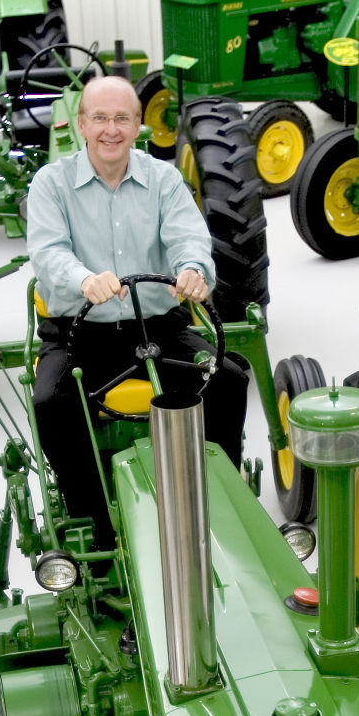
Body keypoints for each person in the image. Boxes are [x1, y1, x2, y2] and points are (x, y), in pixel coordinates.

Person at [26, 76, 248, 544]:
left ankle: (218, 502)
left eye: (121, 118)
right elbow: (48, 255)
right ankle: (96, 526)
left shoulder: (164, 180)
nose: (111, 129)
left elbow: (190, 238)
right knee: (51, 402)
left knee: (228, 379)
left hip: (157, 329)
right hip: (77, 334)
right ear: (81, 125)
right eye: (100, 118)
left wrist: (191, 269)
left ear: (138, 125)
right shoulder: (51, 184)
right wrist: (84, 279)